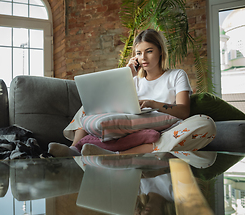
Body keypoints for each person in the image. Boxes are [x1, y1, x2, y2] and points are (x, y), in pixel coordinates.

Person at [48, 29, 216, 157]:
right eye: (138, 53)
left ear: (160, 51)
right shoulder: (134, 80)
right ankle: (74, 150)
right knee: (90, 104)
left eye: (149, 51)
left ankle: (118, 156)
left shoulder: (176, 75)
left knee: (206, 124)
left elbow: (183, 111)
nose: (143, 57)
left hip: (166, 130)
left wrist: (153, 104)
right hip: (132, 127)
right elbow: (108, 107)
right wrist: (127, 76)